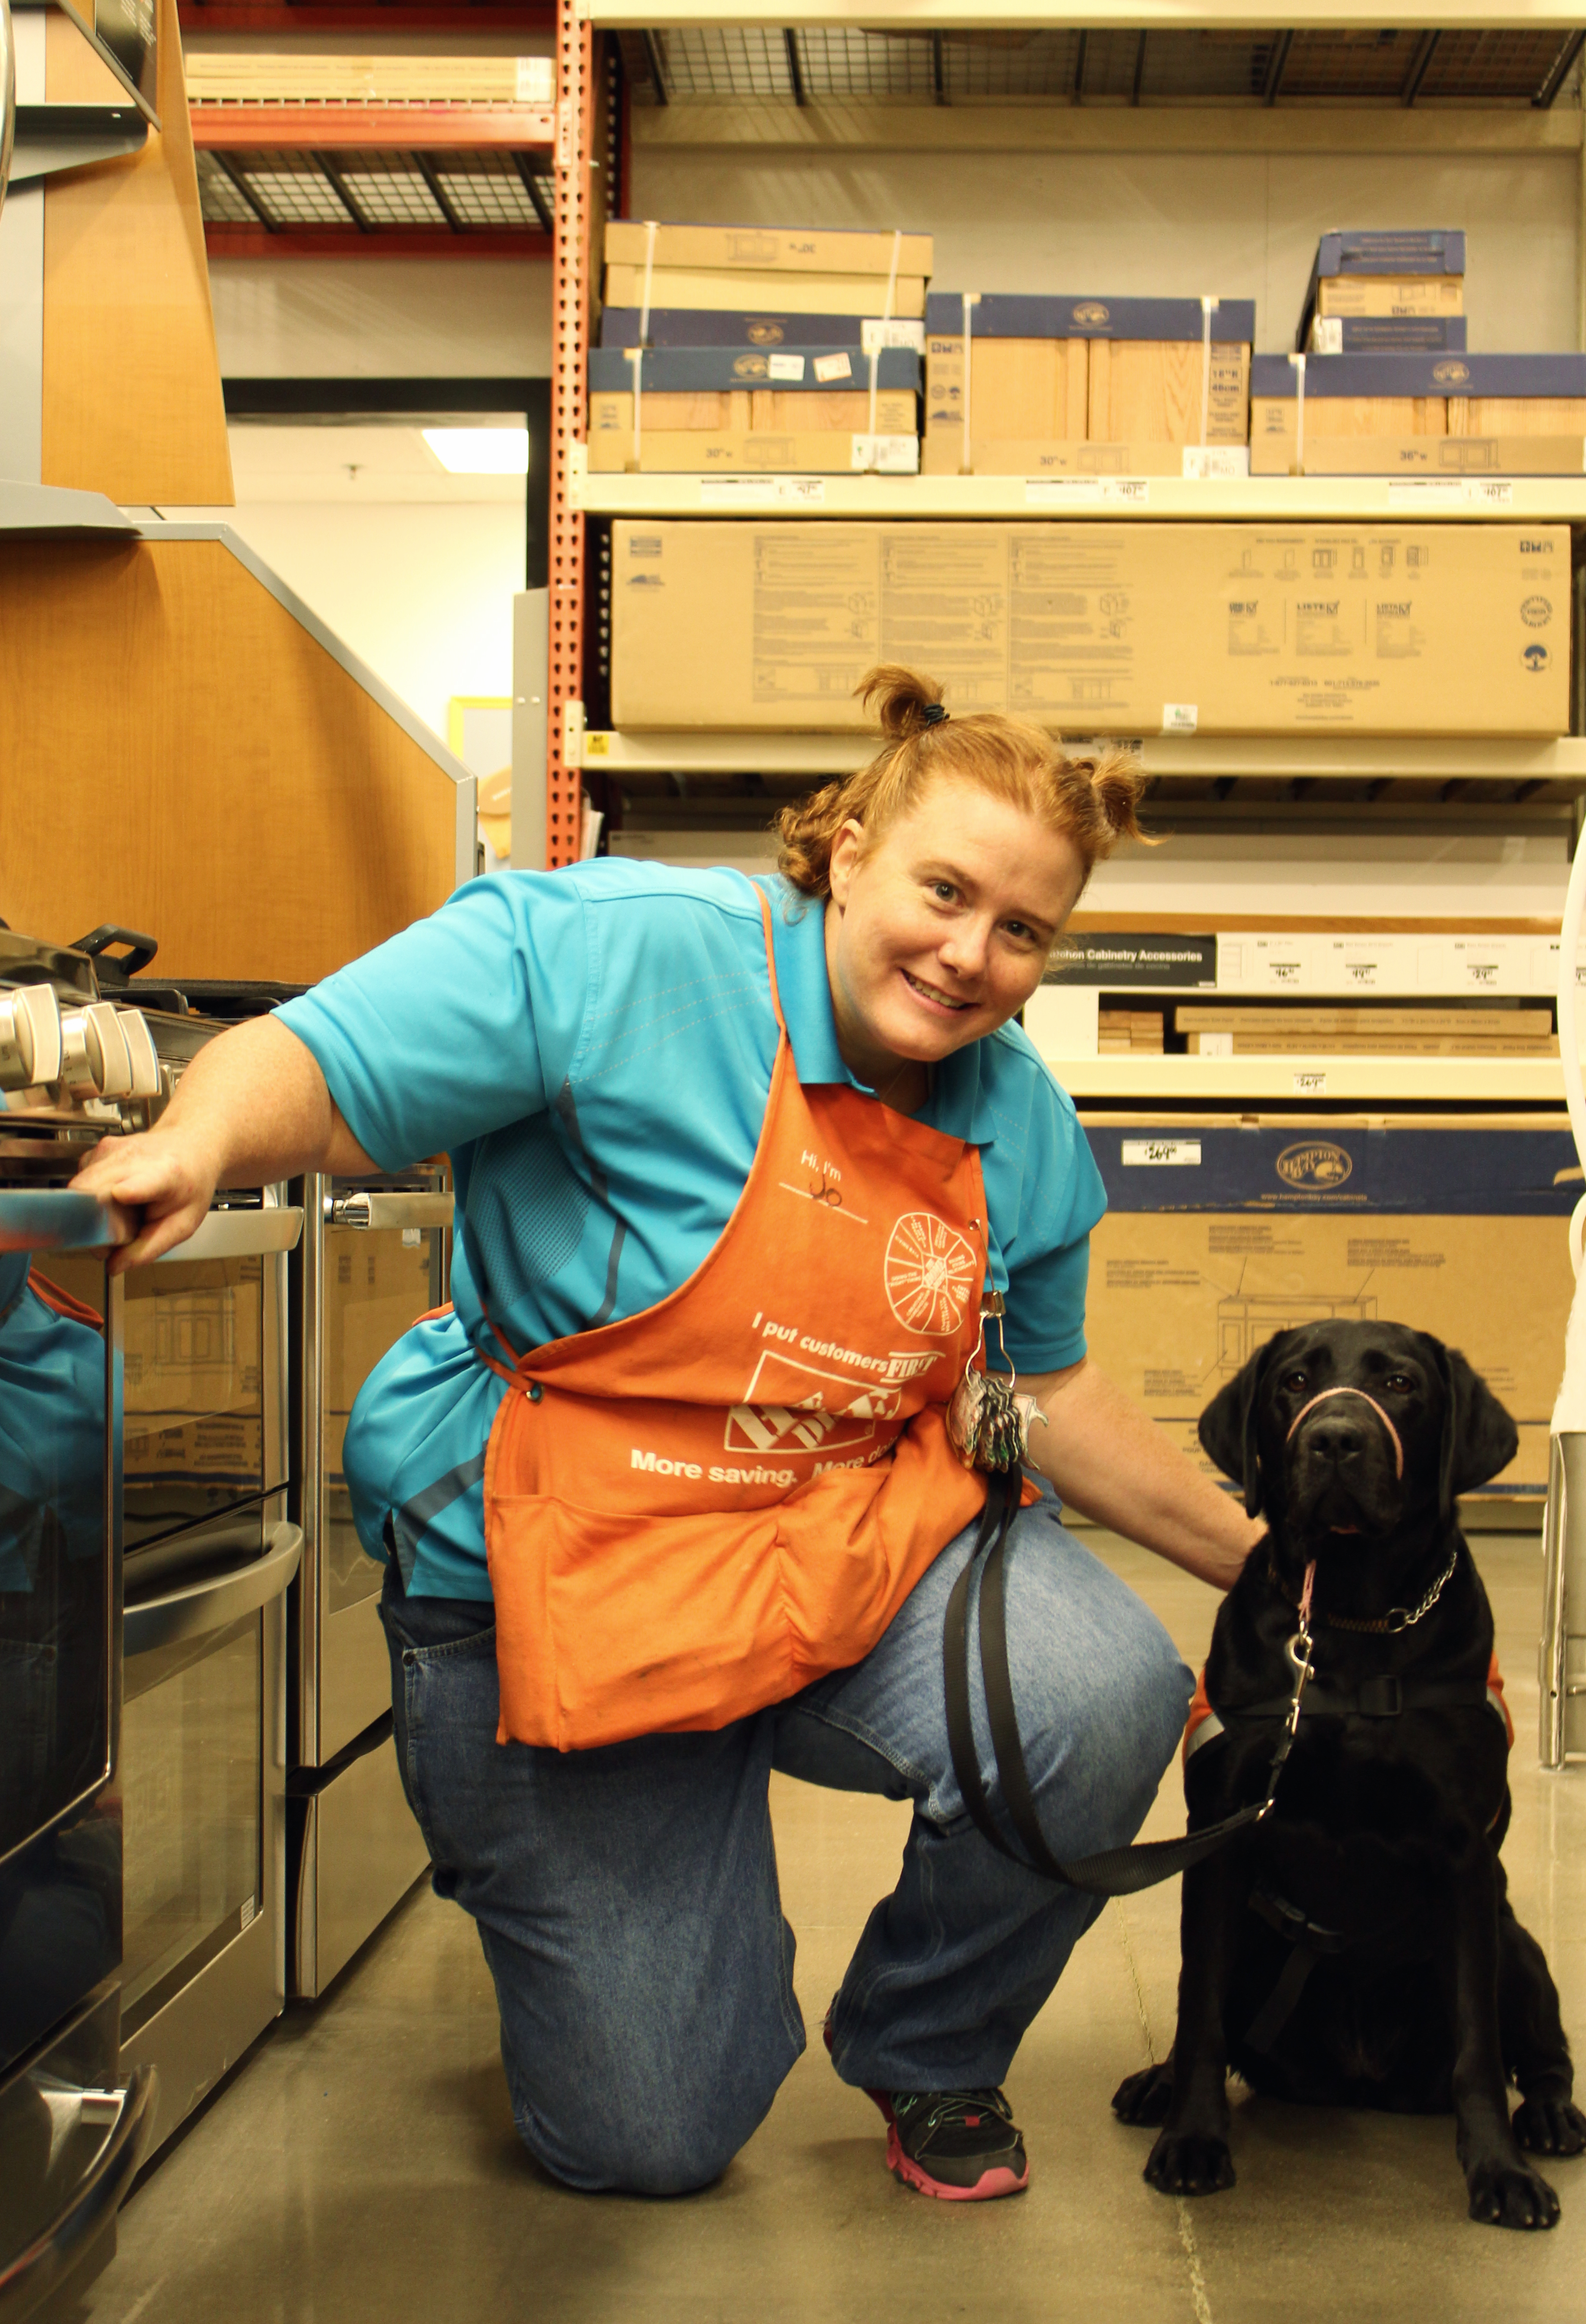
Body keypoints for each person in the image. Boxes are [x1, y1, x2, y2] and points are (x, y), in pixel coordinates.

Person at [77, 667, 1259, 2204]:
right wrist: (196, 1140)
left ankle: (931, 2044)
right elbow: (326, 1062)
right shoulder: (614, 951)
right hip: (564, 1562)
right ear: (847, 853)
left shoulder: (1015, 1118)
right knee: (652, 2136)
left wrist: (1271, 1570)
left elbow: (1045, 1391)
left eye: (1022, 930)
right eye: (945, 891)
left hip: (837, 1544)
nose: (970, 957)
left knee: (1105, 1693)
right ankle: (622, 1860)